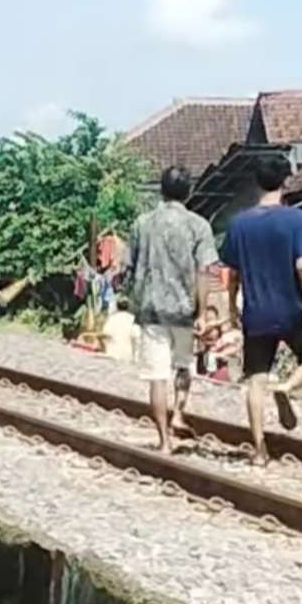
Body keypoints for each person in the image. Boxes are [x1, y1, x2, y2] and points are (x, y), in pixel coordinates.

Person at [222, 154, 302, 466]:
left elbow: (233, 273)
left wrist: (231, 307)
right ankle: (287, 386)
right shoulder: (297, 220)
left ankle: (259, 451)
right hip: (292, 311)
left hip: (256, 313)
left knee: (255, 379)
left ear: (256, 182)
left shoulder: (240, 223)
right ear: (286, 181)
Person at [128, 166, 218, 453]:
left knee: (157, 376)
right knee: (183, 365)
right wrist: (203, 312)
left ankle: (164, 440)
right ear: (188, 191)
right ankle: (178, 411)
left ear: (161, 190)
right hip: (184, 308)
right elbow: (205, 271)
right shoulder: (199, 225)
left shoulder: (142, 223)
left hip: (151, 309)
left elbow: (131, 264)